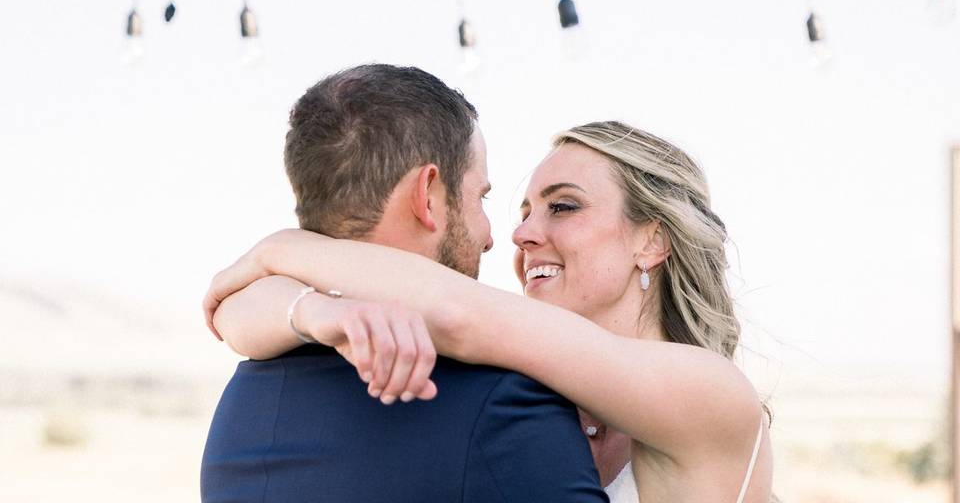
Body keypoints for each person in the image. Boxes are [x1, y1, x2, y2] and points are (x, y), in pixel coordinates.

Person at [205, 120, 775, 503]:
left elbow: (455, 313)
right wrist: (308, 311)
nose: (524, 234)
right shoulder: (527, 384)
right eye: (524, 211)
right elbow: (241, 319)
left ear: (651, 241)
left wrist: (284, 249)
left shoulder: (712, 392)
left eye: (564, 207)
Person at [199, 64, 609, 502]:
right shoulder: (503, 405)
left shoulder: (239, 416)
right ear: (427, 195)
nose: (492, 237)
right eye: (480, 197)